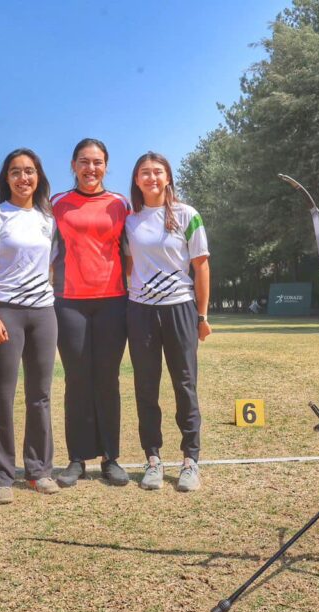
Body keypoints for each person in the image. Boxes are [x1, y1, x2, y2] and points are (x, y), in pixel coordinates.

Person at [0, 148, 58, 505]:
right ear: (5, 178)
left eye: (29, 171)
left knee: (40, 397)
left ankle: (38, 470)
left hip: (43, 313)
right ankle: (0, 476)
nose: (23, 178)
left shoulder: (47, 219)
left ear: (38, 176)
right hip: (5, 312)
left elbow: (50, 267)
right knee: (1, 396)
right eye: (15, 172)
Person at [123, 152, 211, 492]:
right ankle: (153, 460)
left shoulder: (187, 215)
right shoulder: (130, 220)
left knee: (185, 385)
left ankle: (190, 460)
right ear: (136, 180)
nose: (152, 178)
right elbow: (129, 266)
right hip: (141, 312)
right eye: (144, 173)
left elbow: (201, 266)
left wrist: (202, 315)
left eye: (158, 172)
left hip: (180, 309)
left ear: (168, 177)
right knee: (146, 387)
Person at [51, 138, 131, 487]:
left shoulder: (120, 204)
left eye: (98, 162)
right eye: (84, 162)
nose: (91, 168)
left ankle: (110, 458)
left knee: (108, 380)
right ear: (73, 165)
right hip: (69, 302)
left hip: (114, 301)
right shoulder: (56, 204)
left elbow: (130, 253)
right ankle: (77, 459)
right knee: (76, 380)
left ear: (106, 166)